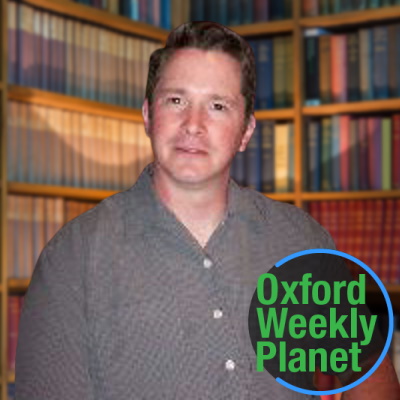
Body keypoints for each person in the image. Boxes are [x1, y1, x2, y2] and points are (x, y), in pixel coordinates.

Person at [15, 21, 399, 400]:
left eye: (217, 105)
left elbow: (370, 373)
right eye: (176, 100)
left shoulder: (300, 240)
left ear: (246, 131)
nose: (193, 125)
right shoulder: (74, 257)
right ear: (148, 115)